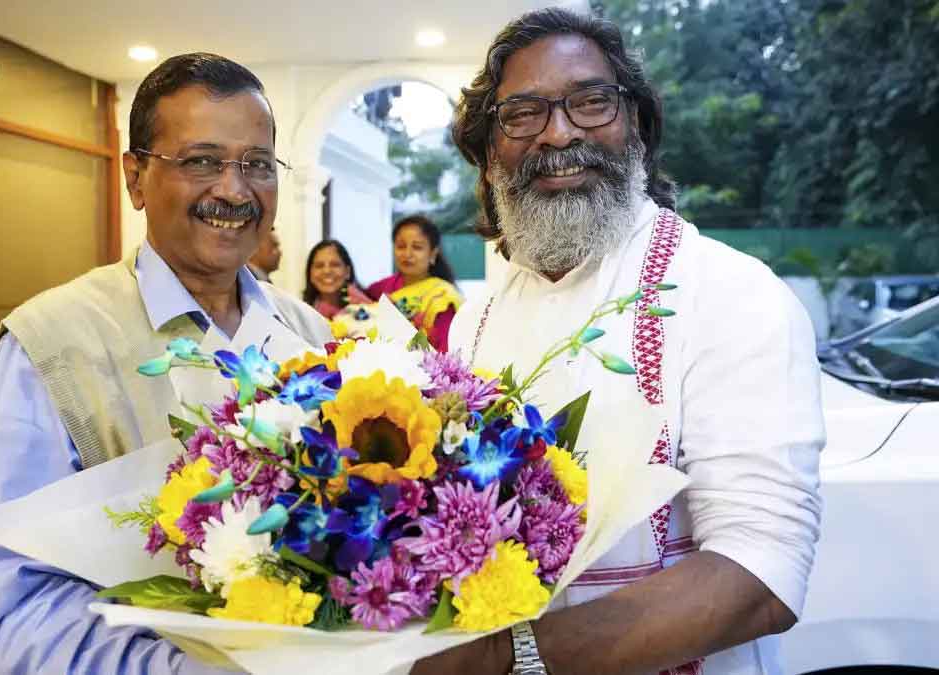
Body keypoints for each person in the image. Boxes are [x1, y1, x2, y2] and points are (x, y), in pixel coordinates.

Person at [412, 8, 824, 675]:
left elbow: (762, 568)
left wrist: (508, 661)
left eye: (591, 102)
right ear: (488, 152)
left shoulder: (730, 291)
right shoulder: (473, 321)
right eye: (522, 114)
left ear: (637, 124)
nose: (559, 132)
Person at [0, 53, 331, 675]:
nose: (234, 190)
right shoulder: (52, 345)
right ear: (134, 178)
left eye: (256, 165)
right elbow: (12, 608)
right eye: (202, 161)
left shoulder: (312, 336)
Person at [366, 215, 463, 352]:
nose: (407, 254)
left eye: (417, 247)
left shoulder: (442, 299)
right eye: (401, 246)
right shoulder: (379, 288)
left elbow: (446, 353)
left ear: (433, 254)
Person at [303, 239, 373, 319]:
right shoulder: (301, 314)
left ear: (347, 272)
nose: (327, 271)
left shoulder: (368, 307)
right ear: (310, 274)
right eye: (319, 266)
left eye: (335, 265)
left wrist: (365, 306)